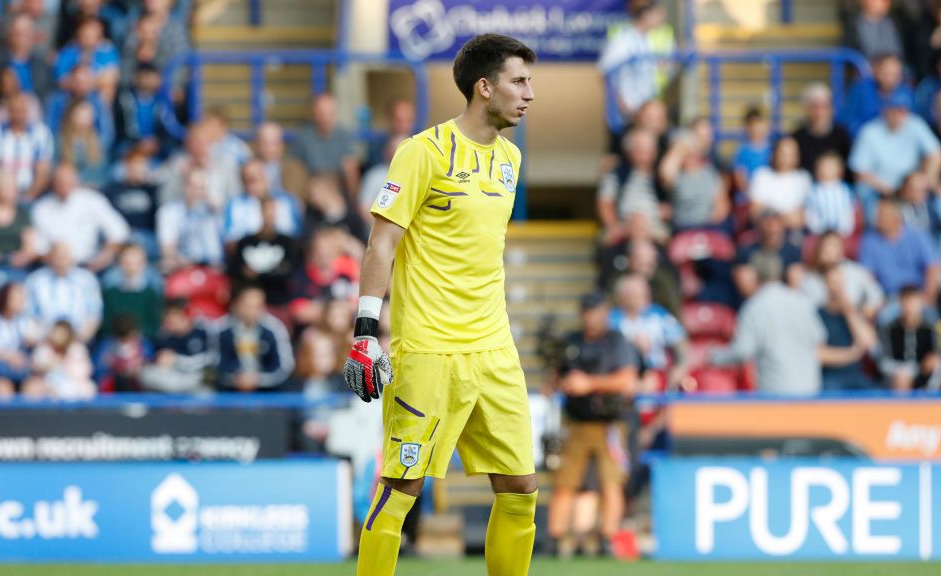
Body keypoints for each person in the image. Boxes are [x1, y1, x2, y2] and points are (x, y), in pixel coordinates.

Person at [343, 34, 539, 576]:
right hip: (428, 351)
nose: (529, 94)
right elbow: (381, 242)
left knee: (521, 487)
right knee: (401, 487)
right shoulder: (422, 153)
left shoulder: (511, 159)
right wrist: (364, 330)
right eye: (519, 82)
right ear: (484, 87)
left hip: (495, 350)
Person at [548, 292, 638, 558]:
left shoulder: (616, 342)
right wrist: (559, 383)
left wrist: (589, 383)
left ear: (606, 312)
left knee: (611, 482)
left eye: (596, 311)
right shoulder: (571, 341)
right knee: (565, 482)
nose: (591, 318)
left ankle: (607, 538)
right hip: (576, 422)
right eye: (587, 312)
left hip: (609, 423)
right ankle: (554, 538)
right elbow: (556, 376)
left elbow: (627, 380)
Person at [710, 252, 827, 396]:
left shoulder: (754, 307)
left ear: (755, 275)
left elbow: (742, 351)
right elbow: (820, 338)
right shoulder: (800, 301)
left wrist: (714, 356)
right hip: (810, 390)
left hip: (775, 393)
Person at [849, 87, 941, 223]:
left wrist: (928, 178)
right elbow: (860, 173)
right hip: (880, 188)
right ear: (884, 110)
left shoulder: (915, 124)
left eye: (902, 110)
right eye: (894, 109)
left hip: (911, 184)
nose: (898, 114)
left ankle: (931, 237)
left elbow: (937, 155)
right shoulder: (869, 131)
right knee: (864, 193)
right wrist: (890, 189)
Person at [31, 163, 130, 271]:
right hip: (53, 267)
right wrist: (59, 261)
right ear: (53, 183)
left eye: (68, 181)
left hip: (89, 266)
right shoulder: (41, 208)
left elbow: (119, 230)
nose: (64, 185)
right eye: (60, 181)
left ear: (76, 180)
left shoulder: (92, 200)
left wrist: (104, 257)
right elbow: (39, 248)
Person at [598, 2, 669, 147]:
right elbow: (605, 72)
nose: (662, 17)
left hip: (646, 113)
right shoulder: (623, 40)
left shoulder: (647, 40)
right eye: (657, 14)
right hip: (627, 115)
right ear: (645, 16)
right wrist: (621, 104)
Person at [608, 274, 689, 392]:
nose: (643, 296)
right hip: (623, 373)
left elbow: (681, 344)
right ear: (622, 296)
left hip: (658, 372)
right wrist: (631, 347)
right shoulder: (611, 320)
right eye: (635, 294)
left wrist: (680, 368)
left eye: (644, 292)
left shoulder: (659, 315)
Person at [859, 197, 941, 304]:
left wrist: (927, 299)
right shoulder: (870, 241)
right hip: (889, 299)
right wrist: (876, 301)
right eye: (877, 214)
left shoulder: (918, 236)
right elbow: (867, 275)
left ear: (897, 217)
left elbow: (933, 268)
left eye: (882, 215)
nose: (877, 219)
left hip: (917, 296)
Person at [216, 284, 294, 392]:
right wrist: (235, 379)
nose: (253, 311)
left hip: (269, 392)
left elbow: (284, 366)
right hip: (229, 392)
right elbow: (214, 363)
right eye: (248, 306)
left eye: (258, 306)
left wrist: (259, 379)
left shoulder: (275, 328)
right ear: (235, 305)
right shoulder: (220, 329)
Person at [228, 196, 301, 311]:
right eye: (266, 210)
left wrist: (258, 275)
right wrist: (275, 272)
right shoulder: (245, 242)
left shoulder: (287, 243)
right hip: (249, 303)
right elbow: (236, 271)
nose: (269, 215)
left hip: (278, 302)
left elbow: (289, 273)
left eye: (272, 210)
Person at [0, 92, 54, 201]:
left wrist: (30, 195)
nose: (19, 115)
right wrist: (3, 194)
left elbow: (43, 170)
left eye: (22, 110)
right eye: (15, 110)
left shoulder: (41, 133)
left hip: (31, 194)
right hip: (0, 194)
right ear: (8, 111)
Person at [24, 242, 103, 343]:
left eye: (65, 256)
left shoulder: (86, 279)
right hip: (44, 340)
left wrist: (80, 339)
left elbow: (94, 314)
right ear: (50, 258)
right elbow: (29, 314)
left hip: (78, 339)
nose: (62, 261)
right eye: (58, 257)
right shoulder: (35, 280)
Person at [817, 264, 879, 391]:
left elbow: (869, 343)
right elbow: (819, 355)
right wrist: (852, 354)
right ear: (826, 285)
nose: (838, 288)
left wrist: (849, 311)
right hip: (830, 377)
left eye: (841, 283)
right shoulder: (818, 315)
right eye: (834, 283)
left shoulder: (853, 313)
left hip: (855, 376)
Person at [289, 93, 361, 198]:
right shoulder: (303, 136)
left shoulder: (342, 135)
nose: (326, 118)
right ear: (314, 114)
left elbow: (350, 166)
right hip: (312, 183)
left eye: (330, 113)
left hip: (337, 183)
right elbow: (295, 167)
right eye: (322, 113)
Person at [800, 231, 885, 318]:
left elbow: (877, 294)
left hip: (854, 321)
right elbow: (808, 308)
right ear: (819, 250)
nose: (829, 250)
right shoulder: (810, 279)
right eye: (825, 246)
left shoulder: (854, 270)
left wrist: (870, 307)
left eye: (835, 245)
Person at [156, 169, 224, 272]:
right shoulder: (169, 211)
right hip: (183, 267)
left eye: (201, 188)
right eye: (193, 186)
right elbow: (167, 248)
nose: (197, 191)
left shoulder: (215, 211)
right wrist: (180, 262)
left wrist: (215, 209)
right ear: (184, 186)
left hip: (214, 266)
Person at [140, 299, 213, 394]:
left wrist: (176, 359)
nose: (169, 319)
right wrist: (159, 361)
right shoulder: (164, 338)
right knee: (145, 375)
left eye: (174, 314)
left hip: (198, 383)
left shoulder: (204, 333)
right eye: (167, 315)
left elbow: (210, 362)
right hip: (173, 380)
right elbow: (155, 365)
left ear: (186, 315)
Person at [878, 285, 941, 390]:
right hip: (896, 377)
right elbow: (884, 362)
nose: (910, 307)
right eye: (907, 302)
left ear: (922, 303)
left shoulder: (930, 328)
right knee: (903, 377)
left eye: (914, 302)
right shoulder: (889, 329)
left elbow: (937, 357)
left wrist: (931, 363)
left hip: (926, 377)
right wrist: (907, 370)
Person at [0, 13, 52, 106]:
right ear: (10, 35)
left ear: (33, 36)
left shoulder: (41, 65)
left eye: (26, 33)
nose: (21, 38)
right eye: (18, 33)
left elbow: (45, 94)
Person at [101, 243, 163, 340]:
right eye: (127, 262)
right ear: (119, 263)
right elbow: (105, 323)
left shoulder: (150, 294)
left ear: (143, 264)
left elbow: (154, 325)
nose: (131, 267)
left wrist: (135, 335)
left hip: (143, 341)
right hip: (114, 340)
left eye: (135, 262)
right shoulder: (110, 294)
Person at [749, 136, 813, 229]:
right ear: (774, 154)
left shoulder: (804, 178)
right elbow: (755, 211)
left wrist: (777, 217)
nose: (786, 158)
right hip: (767, 229)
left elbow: (803, 216)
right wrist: (781, 219)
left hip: (795, 230)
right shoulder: (762, 175)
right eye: (783, 153)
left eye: (791, 154)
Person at [791, 83, 853, 175]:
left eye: (824, 106)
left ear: (831, 108)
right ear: (807, 108)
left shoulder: (841, 135)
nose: (819, 111)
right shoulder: (797, 137)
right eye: (815, 106)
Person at [28, 319, 96, 399]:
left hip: (72, 386)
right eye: (57, 333)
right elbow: (35, 367)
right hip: (47, 385)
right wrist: (47, 366)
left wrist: (64, 365)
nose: (58, 336)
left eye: (62, 334)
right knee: (33, 387)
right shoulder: (44, 348)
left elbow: (84, 371)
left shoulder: (77, 349)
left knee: (88, 388)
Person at [843, 53, 909, 134]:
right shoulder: (861, 89)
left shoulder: (906, 93)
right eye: (887, 73)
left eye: (895, 74)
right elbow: (850, 121)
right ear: (875, 71)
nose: (891, 79)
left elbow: (912, 123)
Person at [57, 99, 108, 189]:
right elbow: (55, 168)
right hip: (67, 191)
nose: (86, 117)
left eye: (89, 114)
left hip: (91, 191)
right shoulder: (60, 141)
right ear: (72, 115)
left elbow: (102, 173)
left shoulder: (97, 143)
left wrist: (94, 184)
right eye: (81, 113)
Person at [805, 151, 858, 237]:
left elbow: (848, 212)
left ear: (840, 170)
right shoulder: (813, 191)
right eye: (823, 166)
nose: (827, 170)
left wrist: (844, 231)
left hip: (842, 233)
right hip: (819, 234)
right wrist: (818, 231)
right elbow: (811, 214)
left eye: (830, 167)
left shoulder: (846, 190)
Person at [732, 106, 772, 194]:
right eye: (753, 125)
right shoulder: (742, 151)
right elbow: (740, 178)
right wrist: (751, 195)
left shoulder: (773, 150)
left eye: (760, 123)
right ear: (747, 128)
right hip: (748, 198)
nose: (757, 128)